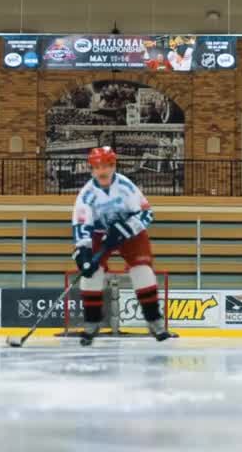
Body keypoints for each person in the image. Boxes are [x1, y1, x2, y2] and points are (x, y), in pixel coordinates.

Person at [71, 146, 170, 345]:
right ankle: (92, 321)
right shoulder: (86, 195)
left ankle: (154, 320)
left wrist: (124, 230)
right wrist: (83, 252)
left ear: (114, 166)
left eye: (107, 165)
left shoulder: (126, 186)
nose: (102, 171)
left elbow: (146, 213)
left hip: (129, 230)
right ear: (91, 169)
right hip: (99, 233)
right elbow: (82, 224)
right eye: (97, 166)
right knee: (91, 273)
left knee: (143, 271)